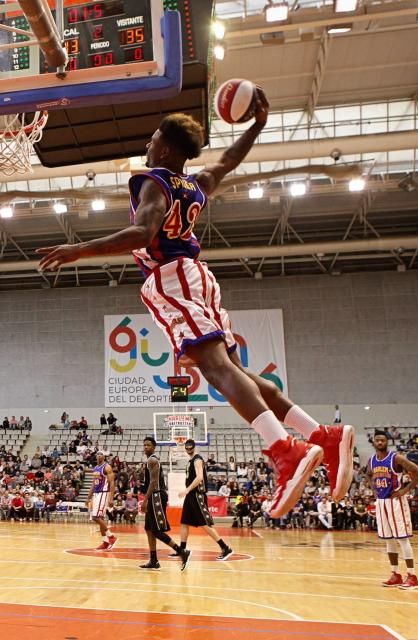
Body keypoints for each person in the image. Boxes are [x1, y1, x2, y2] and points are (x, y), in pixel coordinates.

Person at [36, 97, 354, 518]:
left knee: (216, 370)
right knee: (240, 374)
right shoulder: (197, 182)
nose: (148, 146)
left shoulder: (154, 180)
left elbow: (142, 230)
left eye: (152, 140)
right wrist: (256, 126)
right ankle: (321, 436)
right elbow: (229, 161)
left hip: (171, 276)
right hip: (198, 277)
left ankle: (284, 449)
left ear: (165, 149)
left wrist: (80, 249)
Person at [370, 430, 418, 591]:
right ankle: (395, 574)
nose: (380, 442)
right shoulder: (372, 461)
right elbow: (368, 475)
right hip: (381, 502)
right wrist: (374, 490)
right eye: (377, 440)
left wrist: (405, 490)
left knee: (402, 539)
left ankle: (413, 576)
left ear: (387, 442)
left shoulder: (396, 458)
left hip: (395, 501)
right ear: (373, 442)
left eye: (382, 440)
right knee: (388, 539)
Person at [174, 440, 233, 561]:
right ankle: (182, 550)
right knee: (184, 522)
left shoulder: (197, 459)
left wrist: (187, 489)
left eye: (190, 448)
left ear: (194, 448)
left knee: (204, 524)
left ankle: (225, 547)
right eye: (187, 448)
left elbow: (200, 477)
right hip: (191, 495)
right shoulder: (191, 460)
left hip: (197, 495)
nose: (188, 450)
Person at [139, 437, 190, 570]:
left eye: (148, 445)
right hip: (153, 496)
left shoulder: (153, 460)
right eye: (144, 445)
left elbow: (154, 482)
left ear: (154, 447)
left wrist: (145, 500)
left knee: (156, 530)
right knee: (148, 529)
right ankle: (154, 560)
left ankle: (181, 551)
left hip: (156, 496)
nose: (146, 447)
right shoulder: (150, 460)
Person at [87, 451, 117, 550]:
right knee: (100, 519)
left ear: (104, 457)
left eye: (101, 454)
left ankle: (111, 537)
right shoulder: (95, 468)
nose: (99, 456)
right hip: (96, 494)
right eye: (97, 454)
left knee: (95, 517)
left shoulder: (107, 467)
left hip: (103, 493)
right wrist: (89, 497)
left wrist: (111, 498)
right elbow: (93, 484)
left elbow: (112, 483)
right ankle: (105, 542)